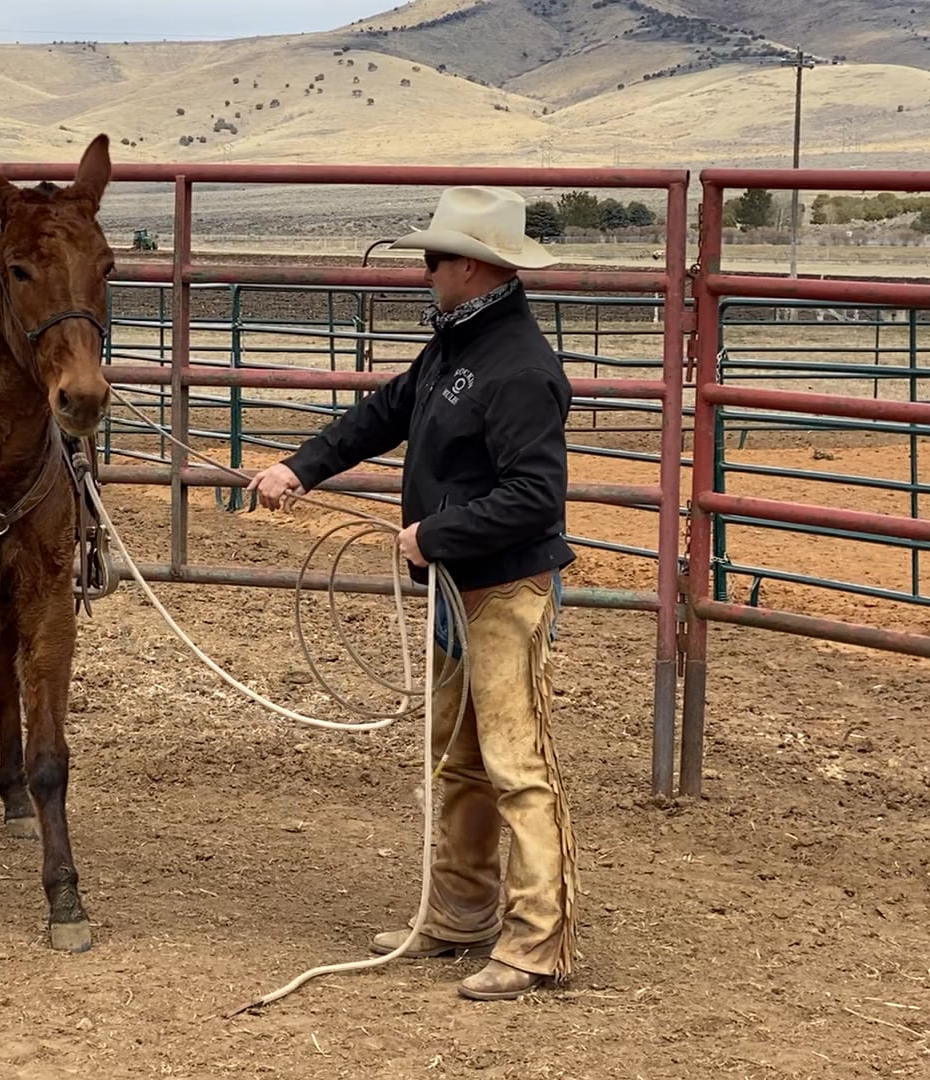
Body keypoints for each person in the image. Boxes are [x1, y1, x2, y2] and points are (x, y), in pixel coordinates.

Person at [247, 186, 579, 1001]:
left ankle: (539, 942)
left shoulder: (519, 368)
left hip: (501, 592)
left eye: (433, 259)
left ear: (471, 266)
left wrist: (437, 534)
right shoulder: (456, 351)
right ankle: (464, 910)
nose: (425, 272)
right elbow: (380, 415)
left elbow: (535, 496)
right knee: (460, 757)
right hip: (460, 596)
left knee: (514, 763)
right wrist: (300, 467)